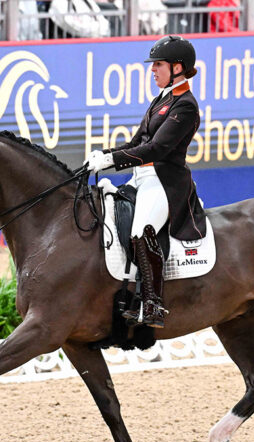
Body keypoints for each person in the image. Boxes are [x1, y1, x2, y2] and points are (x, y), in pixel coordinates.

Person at [85, 35, 207, 329]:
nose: (153, 70)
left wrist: (112, 161)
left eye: (158, 65)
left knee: (142, 230)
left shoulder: (186, 105)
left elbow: (157, 149)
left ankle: (153, 304)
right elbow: (138, 141)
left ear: (178, 67)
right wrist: (105, 154)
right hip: (141, 178)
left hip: (165, 182)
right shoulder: (161, 100)